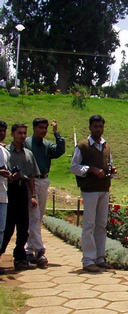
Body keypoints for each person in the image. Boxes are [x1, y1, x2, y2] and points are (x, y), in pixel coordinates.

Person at [70, 115, 116, 273]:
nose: (98, 129)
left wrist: (111, 171)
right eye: (95, 126)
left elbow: (109, 164)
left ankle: (100, 257)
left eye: (100, 126)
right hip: (90, 189)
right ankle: (88, 259)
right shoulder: (82, 146)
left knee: (101, 225)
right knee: (89, 224)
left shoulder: (106, 146)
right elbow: (74, 167)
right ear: (90, 127)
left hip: (104, 188)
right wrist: (90, 169)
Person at [24, 118, 65, 268]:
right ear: (34, 128)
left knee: (38, 216)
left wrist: (57, 134)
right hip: (31, 181)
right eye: (40, 128)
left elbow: (60, 151)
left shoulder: (46, 145)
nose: (43, 131)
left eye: (45, 128)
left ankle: (29, 249)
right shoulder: (27, 143)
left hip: (44, 180)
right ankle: (40, 250)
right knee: (34, 216)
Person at [0, 123, 40, 270]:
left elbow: (31, 177)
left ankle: (20, 256)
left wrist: (33, 195)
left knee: (24, 226)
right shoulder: (5, 151)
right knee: (7, 226)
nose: (22, 136)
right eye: (19, 133)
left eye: (24, 133)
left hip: (22, 189)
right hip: (9, 189)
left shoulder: (28, 154)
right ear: (12, 134)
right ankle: (1, 252)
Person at [0, 121, 11, 274]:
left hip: (3, 193)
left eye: (3, 130)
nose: (1, 133)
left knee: (1, 229)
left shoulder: (5, 151)